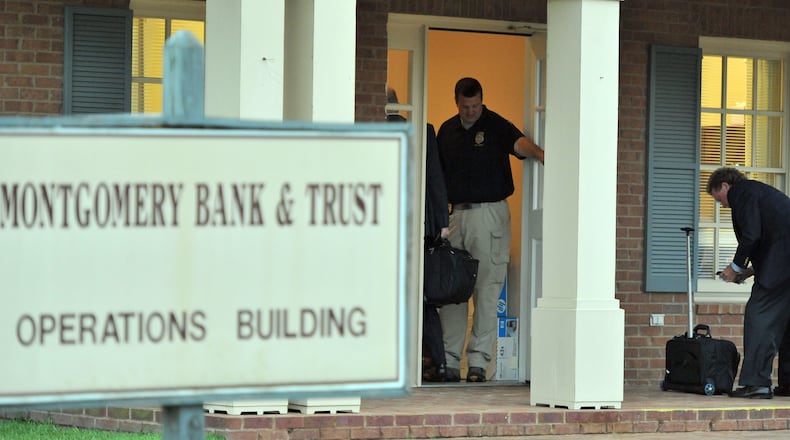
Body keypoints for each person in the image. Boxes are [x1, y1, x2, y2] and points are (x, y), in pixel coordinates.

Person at [436, 77, 544, 382]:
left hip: (491, 214)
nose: (471, 111)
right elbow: (437, 176)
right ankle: (449, 360)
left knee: (486, 289)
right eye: (465, 106)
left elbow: (518, 143)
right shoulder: (446, 131)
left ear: (482, 100)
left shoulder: (495, 124)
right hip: (457, 216)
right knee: (454, 291)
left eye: (476, 105)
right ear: (456, 102)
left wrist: (542, 154)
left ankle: (479, 363)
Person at [707, 167, 790, 399]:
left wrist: (735, 268)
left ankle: (757, 383)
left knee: (759, 317)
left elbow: (752, 235)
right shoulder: (761, 193)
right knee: (785, 323)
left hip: (780, 267)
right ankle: (788, 383)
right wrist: (750, 271)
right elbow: (773, 238)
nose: (722, 205)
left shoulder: (741, 193)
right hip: (783, 265)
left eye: (718, 198)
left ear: (724, 186)